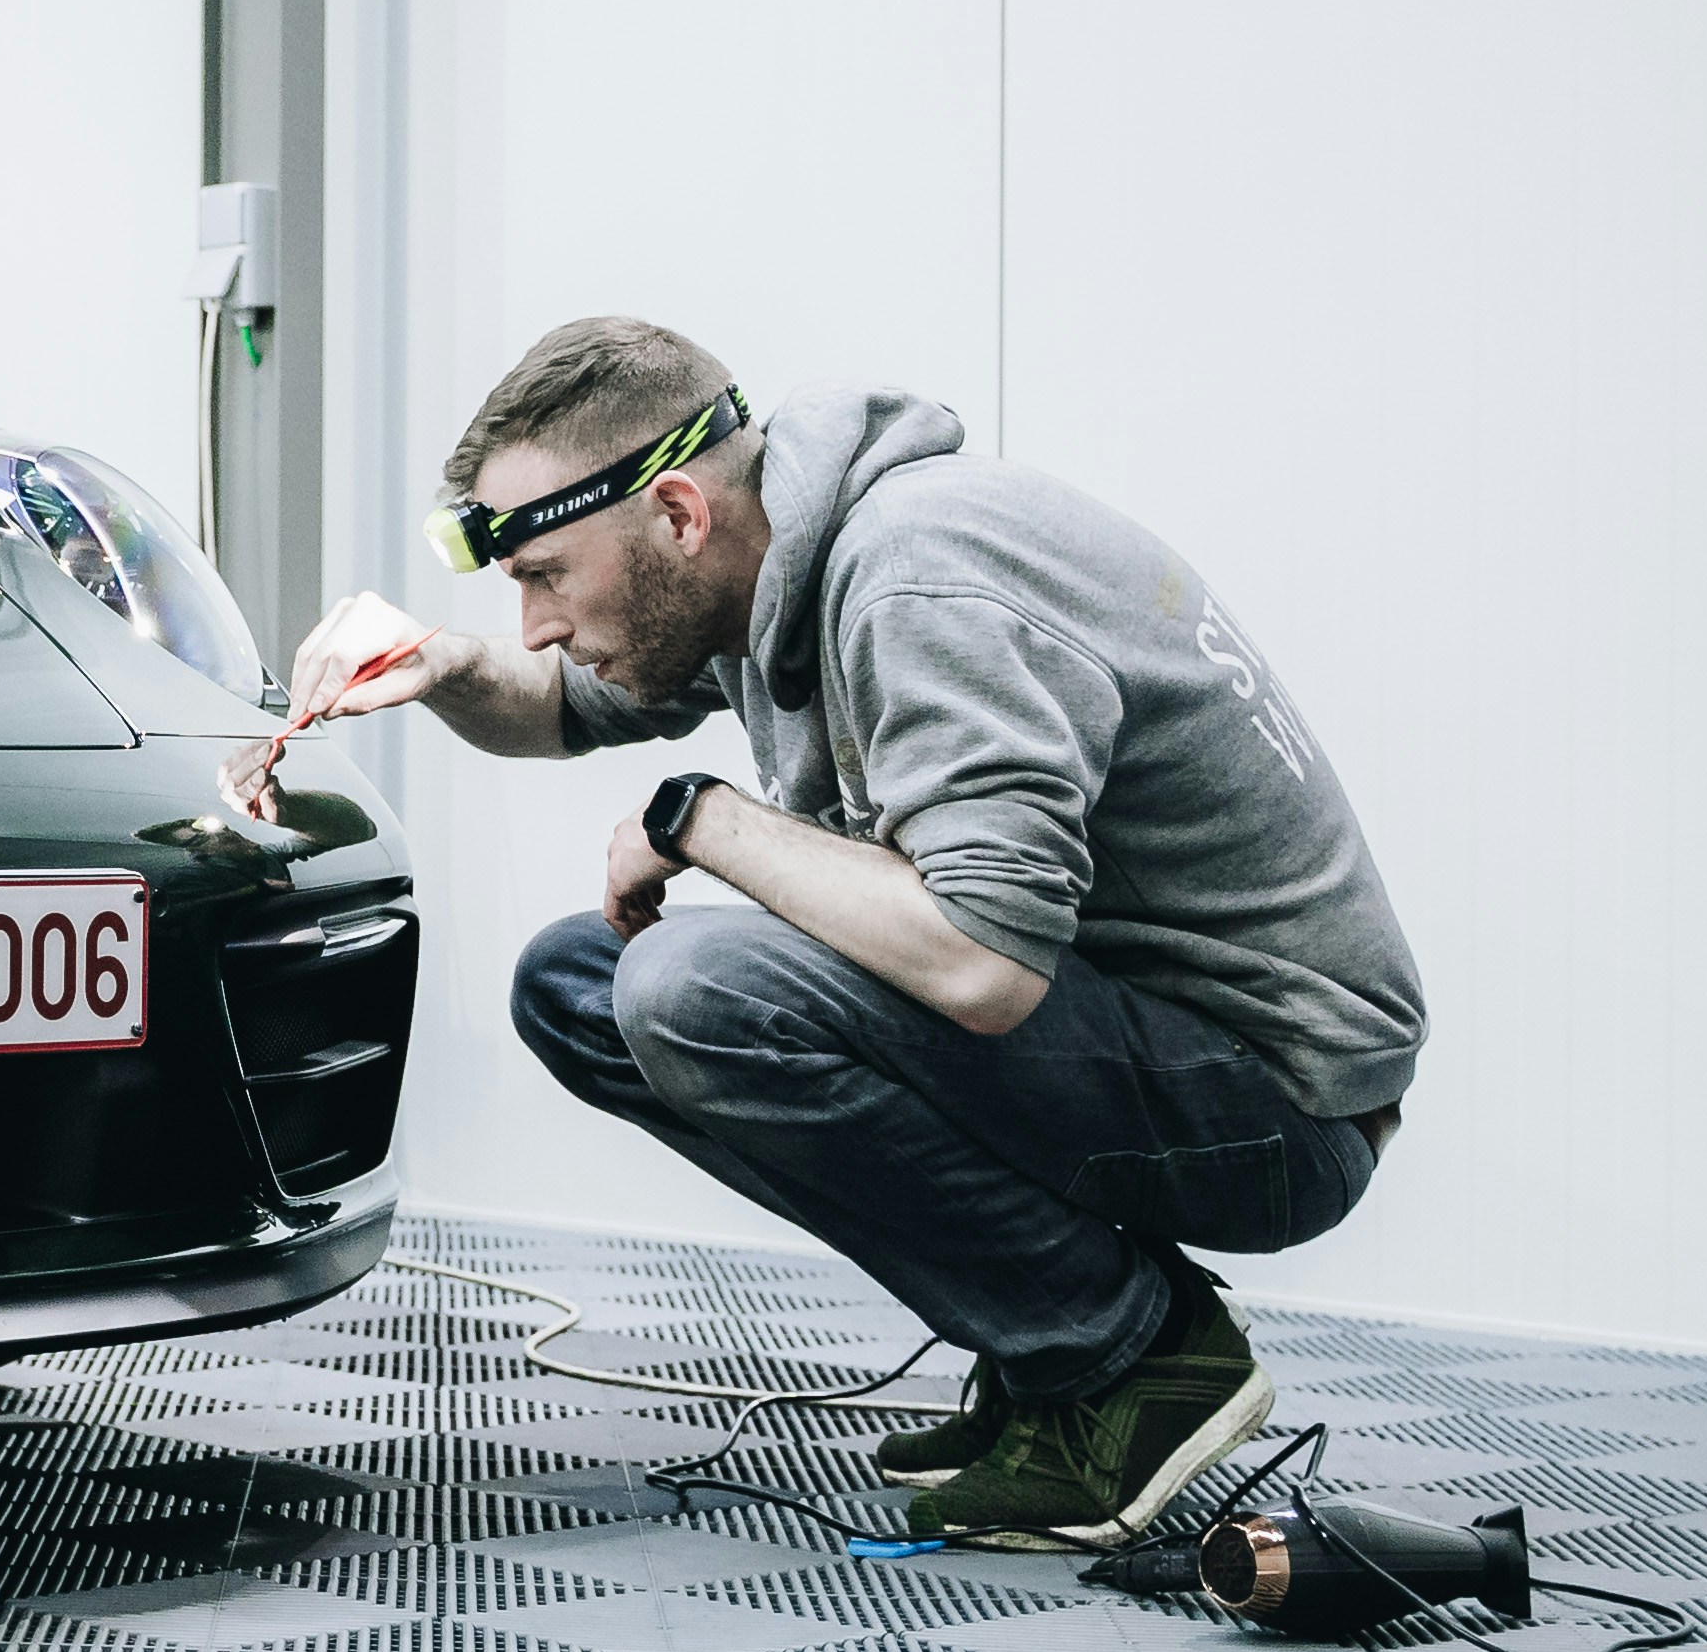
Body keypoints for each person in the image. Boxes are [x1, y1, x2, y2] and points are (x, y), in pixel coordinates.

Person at [305, 318, 1423, 1547]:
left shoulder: (914, 574)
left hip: (1276, 1108)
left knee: (689, 987)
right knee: (578, 982)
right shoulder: (760, 566)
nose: (531, 622)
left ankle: (1130, 1355)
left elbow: (984, 965)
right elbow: (559, 708)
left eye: (544, 576)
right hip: (1132, 1037)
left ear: (678, 515)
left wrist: (696, 818)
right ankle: (1043, 1345)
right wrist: (438, 661)